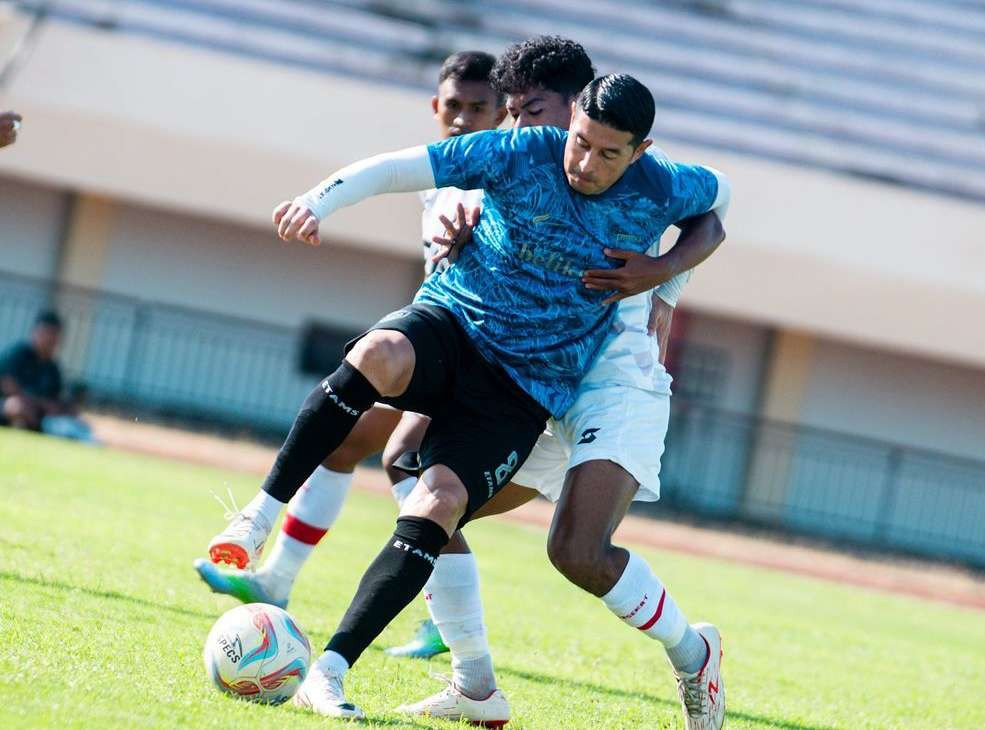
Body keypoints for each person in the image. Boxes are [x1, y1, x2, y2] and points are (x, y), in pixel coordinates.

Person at [205, 72, 728, 724]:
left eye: (607, 154)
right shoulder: (521, 152)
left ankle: (340, 670)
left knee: (458, 508)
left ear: (641, 152)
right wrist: (319, 201)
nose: (585, 164)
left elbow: (717, 204)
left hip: (533, 385)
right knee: (376, 363)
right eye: (579, 144)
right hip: (454, 325)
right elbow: (400, 166)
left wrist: (662, 275)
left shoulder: (663, 186)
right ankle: (257, 518)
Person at [193, 50, 505, 621]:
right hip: (442, 344)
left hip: (482, 360)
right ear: (435, 107)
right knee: (357, 448)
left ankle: (446, 622)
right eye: (453, 106)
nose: (462, 119)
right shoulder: (438, 174)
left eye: (477, 108)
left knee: (409, 466)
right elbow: (384, 172)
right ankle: (280, 581)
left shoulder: (499, 179)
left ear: (502, 113)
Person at [0, 311, 84, 434]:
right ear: (36, 332)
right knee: (15, 406)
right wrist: (38, 403)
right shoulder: (18, 353)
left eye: (55, 335)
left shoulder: (53, 368)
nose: (50, 339)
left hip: (37, 411)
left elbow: (55, 399)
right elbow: (9, 386)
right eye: (47, 333)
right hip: (9, 405)